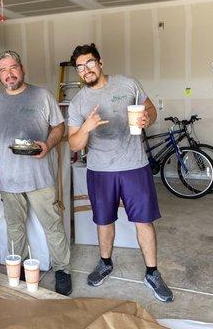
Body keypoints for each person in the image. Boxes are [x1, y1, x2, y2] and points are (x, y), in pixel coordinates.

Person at [67, 43, 173, 302]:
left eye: (89, 63)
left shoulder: (127, 84)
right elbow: (73, 144)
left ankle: (152, 272)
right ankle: (105, 263)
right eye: (80, 67)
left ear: (100, 63)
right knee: (104, 221)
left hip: (134, 166)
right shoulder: (79, 103)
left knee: (143, 220)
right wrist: (87, 128)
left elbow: (150, 110)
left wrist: (148, 118)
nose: (85, 70)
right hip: (100, 170)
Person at [0, 50, 72, 295]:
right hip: (8, 180)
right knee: (14, 227)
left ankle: (63, 269)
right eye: (3, 70)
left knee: (52, 224)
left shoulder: (41, 96)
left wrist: (48, 144)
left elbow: (58, 126)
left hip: (40, 178)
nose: (9, 74)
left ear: (22, 69)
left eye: (13, 68)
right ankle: (17, 268)